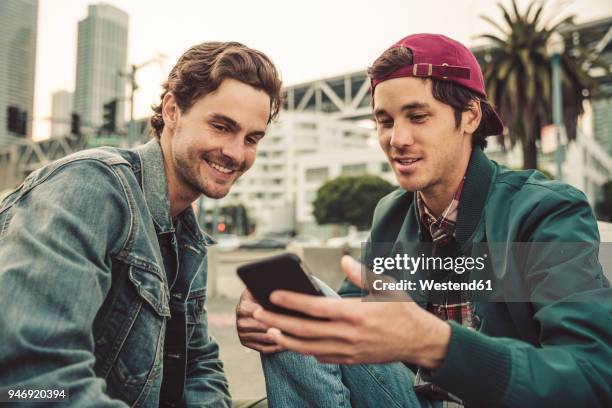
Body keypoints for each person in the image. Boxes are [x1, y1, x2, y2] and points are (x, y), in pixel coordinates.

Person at [236, 34, 612, 407]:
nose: (397, 139)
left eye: (418, 117)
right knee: (301, 307)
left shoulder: (545, 211)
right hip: (411, 399)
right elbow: (356, 308)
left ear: (470, 116)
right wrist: (267, 316)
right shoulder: (392, 212)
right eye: (384, 121)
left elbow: (593, 375)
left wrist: (437, 344)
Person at [0, 41, 282, 407]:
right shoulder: (91, 188)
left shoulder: (186, 235)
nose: (236, 153)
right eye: (221, 126)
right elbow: (29, 380)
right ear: (172, 110)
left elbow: (196, 363)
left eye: (252, 138)